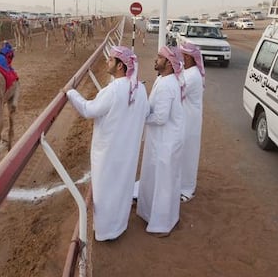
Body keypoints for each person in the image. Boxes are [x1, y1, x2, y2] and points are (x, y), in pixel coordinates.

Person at [64, 46, 148, 241]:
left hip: (108, 154)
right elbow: (145, 113)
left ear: (120, 66)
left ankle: (105, 232)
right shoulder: (140, 88)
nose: (107, 62)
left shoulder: (113, 90)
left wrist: (71, 93)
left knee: (105, 191)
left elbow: (88, 110)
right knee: (122, 188)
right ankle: (118, 227)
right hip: (128, 152)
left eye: (110, 60)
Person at [136, 45, 186, 238]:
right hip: (162, 140)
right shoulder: (163, 80)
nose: (155, 60)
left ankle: (162, 224)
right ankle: (152, 214)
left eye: (159, 57)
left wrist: (139, 118)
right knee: (158, 179)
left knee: (164, 183)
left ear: (169, 63)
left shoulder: (167, 85)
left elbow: (160, 118)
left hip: (167, 141)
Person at [178, 42, 205, 202]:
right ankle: (181, 184)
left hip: (190, 120)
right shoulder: (188, 72)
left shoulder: (192, 75)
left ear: (189, 57)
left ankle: (187, 189)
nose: (181, 58)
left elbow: (177, 89)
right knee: (183, 152)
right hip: (187, 118)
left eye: (183, 55)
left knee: (188, 154)